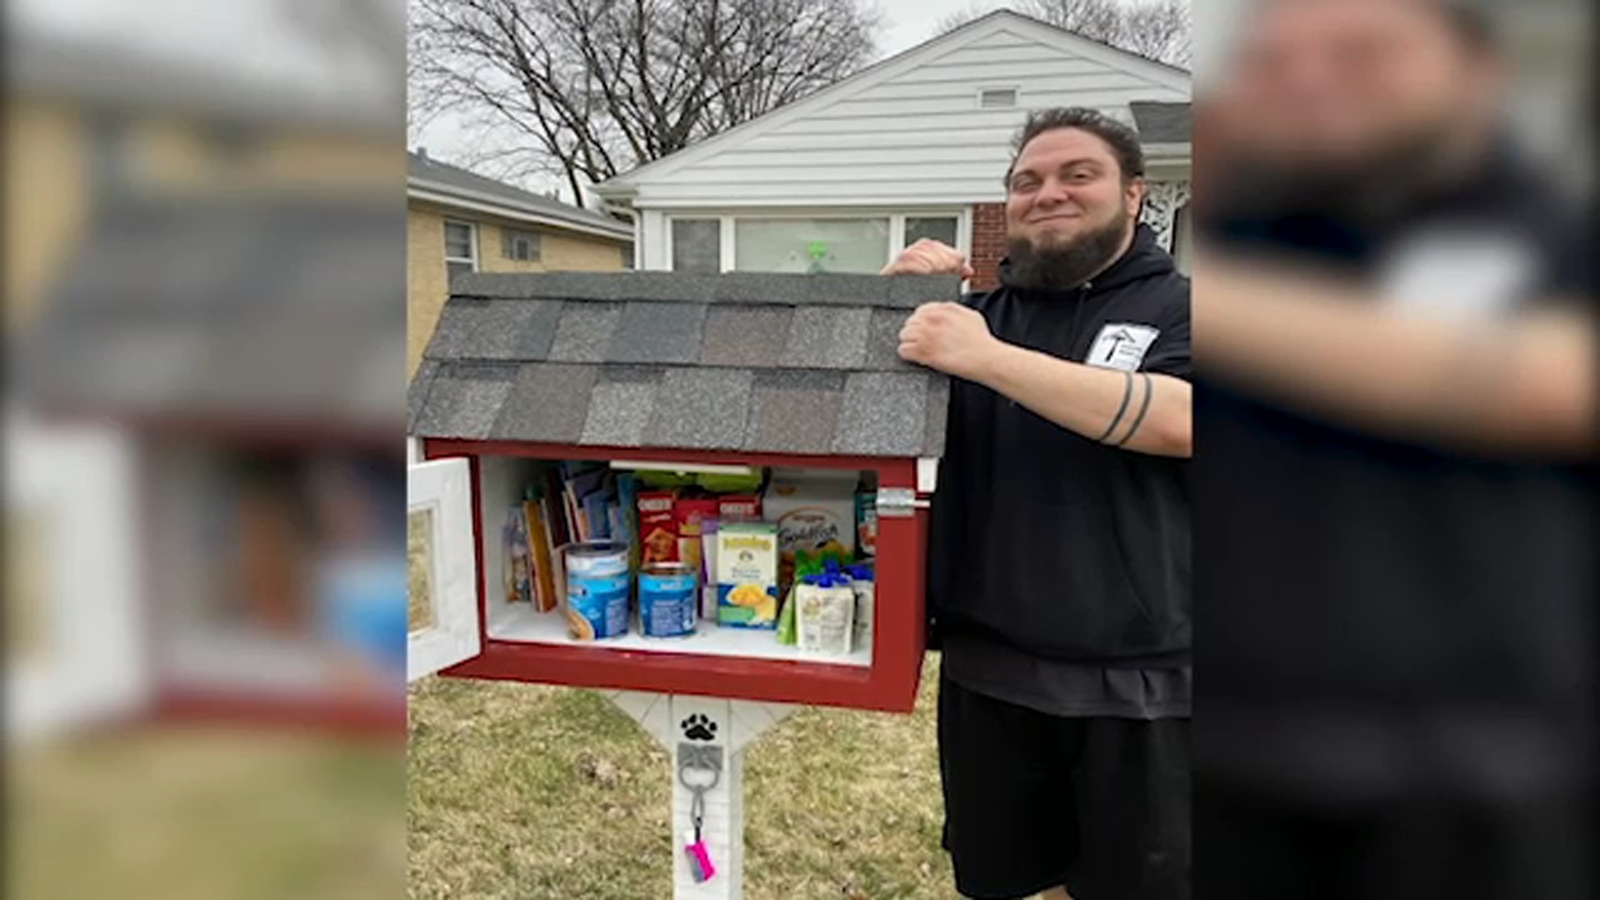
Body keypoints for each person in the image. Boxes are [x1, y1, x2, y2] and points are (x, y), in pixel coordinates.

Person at [1192, 0, 1593, 896]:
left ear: (1482, 70)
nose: (1309, 79)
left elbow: (1555, 385)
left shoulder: (1550, 230)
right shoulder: (1262, 230)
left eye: (1362, 51)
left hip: (1475, 793)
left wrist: (1215, 302)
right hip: (1237, 777)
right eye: (1276, 59)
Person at [885, 107, 1192, 900]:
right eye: (1027, 181)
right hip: (988, 674)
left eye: (1076, 174)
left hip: (1142, 686)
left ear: (1134, 194)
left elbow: (1180, 420)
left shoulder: (1189, 308)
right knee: (1006, 884)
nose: (1046, 193)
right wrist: (880, 310)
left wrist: (984, 358)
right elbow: (853, 421)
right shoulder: (976, 317)